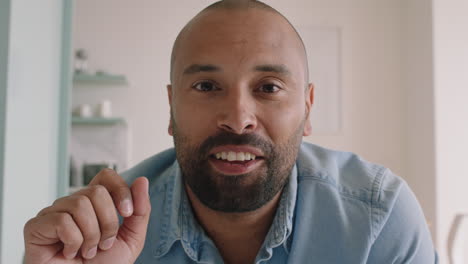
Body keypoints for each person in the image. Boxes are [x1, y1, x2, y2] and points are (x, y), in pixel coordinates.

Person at [23, 1, 438, 263]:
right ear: (171, 106)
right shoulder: (102, 237)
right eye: (206, 87)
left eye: (269, 88)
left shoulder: (377, 220)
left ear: (308, 107)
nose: (238, 119)